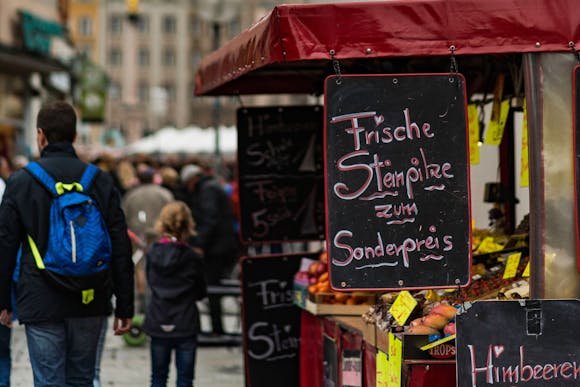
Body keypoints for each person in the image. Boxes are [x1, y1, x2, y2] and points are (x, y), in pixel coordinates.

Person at [0, 101, 134, 386]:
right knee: (82, 380)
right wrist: (125, 304)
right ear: (74, 135)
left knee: (49, 382)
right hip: (91, 296)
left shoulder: (21, 182)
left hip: (40, 298)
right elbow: (120, 245)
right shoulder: (100, 180)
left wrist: (3, 300)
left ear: (40, 135)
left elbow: (5, 245)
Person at [143, 201, 207, 387]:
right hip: (185, 320)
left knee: (158, 377)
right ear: (188, 225)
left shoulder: (152, 253)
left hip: (158, 318)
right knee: (185, 378)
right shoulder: (192, 256)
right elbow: (201, 291)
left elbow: (151, 283)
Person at [178, 164, 237, 335]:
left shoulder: (207, 190)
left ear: (192, 179)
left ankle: (217, 329)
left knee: (212, 288)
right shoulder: (210, 186)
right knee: (212, 287)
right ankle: (215, 328)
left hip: (216, 248)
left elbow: (209, 218)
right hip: (220, 245)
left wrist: (199, 244)